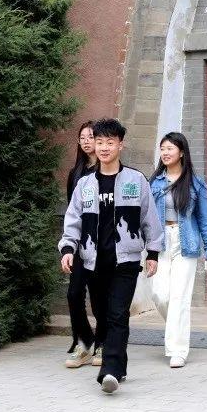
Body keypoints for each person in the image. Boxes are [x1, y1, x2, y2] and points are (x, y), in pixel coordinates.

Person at [58, 118, 163, 394]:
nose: (104, 148)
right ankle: (120, 366)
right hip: (93, 261)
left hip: (126, 261)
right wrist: (68, 248)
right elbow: (73, 220)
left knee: (118, 314)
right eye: (100, 142)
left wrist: (153, 253)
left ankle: (111, 370)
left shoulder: (136, 181)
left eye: (110, 142)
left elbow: (149, 219)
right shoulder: (85, 184)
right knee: (103, 313)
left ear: (120, 145)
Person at [148, 132, 207, 368]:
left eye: (170, 148)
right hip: (160, 242)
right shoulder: (154, 182)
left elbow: (205, 220)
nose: (165, 153)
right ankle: (175, 328)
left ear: (182, 152)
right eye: (162, 149)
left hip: (186, 242)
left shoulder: (196, 184)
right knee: (160, 295)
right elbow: (146, 217)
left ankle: (178, 350)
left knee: (179, 298)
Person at [63, 121, 104, 368]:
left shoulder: (107, 170)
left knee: (99, 295)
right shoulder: (76, 173)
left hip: (102, 244)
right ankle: (84, 341)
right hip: (80, 242)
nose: (87, 141)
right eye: (83, 138)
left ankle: (102, 343)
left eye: (91, 137)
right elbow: (72, 211)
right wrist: (69, 245)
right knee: (74, 293)